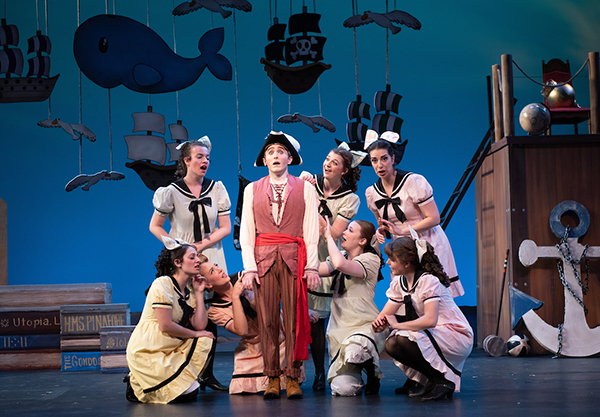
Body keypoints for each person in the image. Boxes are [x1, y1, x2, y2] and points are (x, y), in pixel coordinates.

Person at [240, 131, 321, 400]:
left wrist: (312, 266)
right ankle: (272, 376)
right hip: (263, 260)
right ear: (264, 160)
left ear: (290, 158)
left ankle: (293, 376)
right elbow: (246, 231)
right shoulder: (252, 189)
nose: (276, 155)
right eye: (271, 152)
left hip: (294, 259)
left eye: (281, 151)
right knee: (268, 320)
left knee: (295, 319)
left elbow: (311, 229)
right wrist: (249, 268)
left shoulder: (305, 188)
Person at [149, 136, 231, 391]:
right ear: (186, 160)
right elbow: (155, 226)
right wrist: (175, 246)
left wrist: (201, 245)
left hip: (210, 256)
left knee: (210, 313)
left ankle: (207, 373)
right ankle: (183, 371)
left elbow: (225, 227)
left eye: (207, 157)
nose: (205, 161)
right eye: (199, 157)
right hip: (184, 259)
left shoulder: (217, 188)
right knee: (184, 312)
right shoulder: (171, 192)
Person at [372, 235, 473, 401]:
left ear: (406, 263)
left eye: (393, 259)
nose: (388, 262)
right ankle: (433, 379)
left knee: (403, 338)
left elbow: (430, 321)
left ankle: (443, 381)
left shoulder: (428, 281)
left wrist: (397, 325)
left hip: (454, 334)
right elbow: (386, 314)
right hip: (435, 333)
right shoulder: (400, 282)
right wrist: (380, 323)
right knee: (392, 344)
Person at [364, 130, 464, 298]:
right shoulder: (372, 193)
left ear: (393, 159)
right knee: (405, 297)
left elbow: (434, 218)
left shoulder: (413, 182)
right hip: (401, 248)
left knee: (433, 296)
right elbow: (384, 224)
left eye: (384, 159)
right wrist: (381, 230)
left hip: (427, 242)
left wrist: (405, 230)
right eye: (374, 160)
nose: (379, 165)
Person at [299, 143, 364, 391]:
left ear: (344, 171)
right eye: (327, 159)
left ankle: (324, 372)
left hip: (326, 261)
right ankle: (297, 373)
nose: (327, 164)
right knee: (300, 320)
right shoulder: (309, 183)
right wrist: (302, 186)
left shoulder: (349, 198)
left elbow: (334, 233)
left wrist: (312, 201)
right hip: (301, 254)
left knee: (321, 323)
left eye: (334, 163)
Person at [125, 237, 215, 404]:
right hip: (148, 349)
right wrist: (195, 334)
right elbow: (166, 325)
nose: (197, 261)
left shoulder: (188, 292)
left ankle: (146, 382)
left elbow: (200, 325)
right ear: (178, 263)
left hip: (168, 348)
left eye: (197, 257)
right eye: (192, 257)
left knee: (204, 338)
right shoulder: (163, 283)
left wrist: (199, 293)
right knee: (187, 394)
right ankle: (136, 383)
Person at [200, 258, 307, 394]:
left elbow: (272, 305)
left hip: (277, 335)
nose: (220, 269)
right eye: (212, 271)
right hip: (253, 344)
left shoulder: (246, 277)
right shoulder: (215, 310)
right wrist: (236, 297)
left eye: (216, 265)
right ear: (208, 285)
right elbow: (242, 331)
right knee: (244, 386)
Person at [318, 219, 388, 396]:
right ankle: (356, 373)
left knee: (355, 349)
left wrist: (329, 237)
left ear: (362, 240)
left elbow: (340, 265)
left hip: (364, 325)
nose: (344, 233)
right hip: (339, 329)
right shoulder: (339, 256)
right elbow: (317, 269)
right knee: (343, 389)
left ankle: (372, 371)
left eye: (350, 230)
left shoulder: (370, 259)